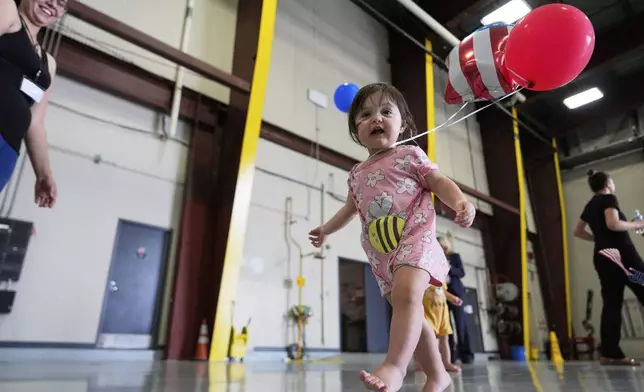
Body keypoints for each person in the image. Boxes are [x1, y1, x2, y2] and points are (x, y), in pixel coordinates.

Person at [309, 82, 476, 392]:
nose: (376, 118)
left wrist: (460, 203)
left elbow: (438, 181)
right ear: (355, 129)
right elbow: (350, 209)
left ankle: (395, 367)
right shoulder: (357, 173)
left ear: (402, 126)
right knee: (410, 311)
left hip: (416, 240)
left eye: (386, 112)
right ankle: (438, 375)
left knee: (407, 298)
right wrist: (325, 229)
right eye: (366, 114)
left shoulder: (410, 155)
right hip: (382, 255)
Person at [573, 169, 644, 366]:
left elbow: (577, 231)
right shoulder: (608, 198)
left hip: (604, 258)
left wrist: (598, 238)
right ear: (607, 184)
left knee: (612, 304)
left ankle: (610, 352)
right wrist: (637, 223)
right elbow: (612, 224)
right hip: (623, 258)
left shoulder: (590, 205)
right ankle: (610, 351)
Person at [0, 0, 60, 207]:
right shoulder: (7, 11)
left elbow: (35, 123)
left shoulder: (49, 64)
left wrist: (44, 173)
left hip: (7, 151)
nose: (53, 4)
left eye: (61, 3)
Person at [437, 236, 474, 364]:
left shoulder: (455, 257)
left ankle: (466, 354)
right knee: (447, 325)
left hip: (456, 292)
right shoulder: (435, 259)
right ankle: (451, 356)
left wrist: (449, 268)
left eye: (443, 246)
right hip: (443, 293)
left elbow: (461, 273)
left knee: (460, 323)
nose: (442, 249)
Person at [414, 283, 463, 374]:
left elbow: (444, 292)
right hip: (428, 314)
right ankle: (420, 363)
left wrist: (453, 298)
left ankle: (446, 362)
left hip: (442, 315)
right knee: (425, 340)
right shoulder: (422, 277)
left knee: (445, 339)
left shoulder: (440, 279)